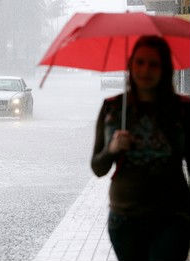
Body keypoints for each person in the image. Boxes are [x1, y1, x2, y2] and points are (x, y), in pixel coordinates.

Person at [91, 35, 190, 261]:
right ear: (130, 65)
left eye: (154, 64)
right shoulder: (113, 108)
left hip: (172, 217)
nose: (145, 70)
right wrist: (112, 148)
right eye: (140, 62)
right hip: (124, 220)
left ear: (165, 69)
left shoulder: (182, 111)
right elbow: (98, 167)